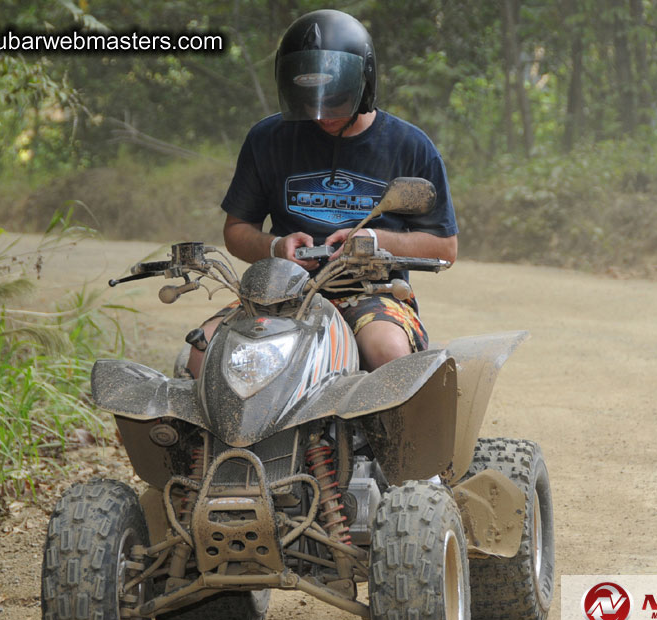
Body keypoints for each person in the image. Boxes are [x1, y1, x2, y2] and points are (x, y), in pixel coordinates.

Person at [187, 9, 457, 377]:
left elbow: (444, 248)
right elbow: (236, 231)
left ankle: (397, 436)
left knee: (387, 351)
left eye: (336, 101)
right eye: (308, 102)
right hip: (280, 291)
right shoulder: (267, 139)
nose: (321, 114)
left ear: (365, 84)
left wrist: (372, 241)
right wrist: (275, 247)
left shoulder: (410, 146)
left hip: (371, 293)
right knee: (203, 352)